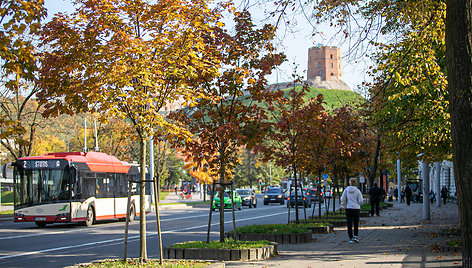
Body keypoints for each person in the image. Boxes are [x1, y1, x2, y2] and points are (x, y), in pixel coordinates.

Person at [340, 178, 363, 244]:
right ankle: (355, 236)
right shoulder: (358, 191)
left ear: (349, 182)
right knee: (356, 222)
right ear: (355, 183)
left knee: (349, 223)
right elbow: (360, 201)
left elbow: (342, 198)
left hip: (348, 208)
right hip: (356, 208)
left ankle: (350, 237)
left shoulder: (346, 190)